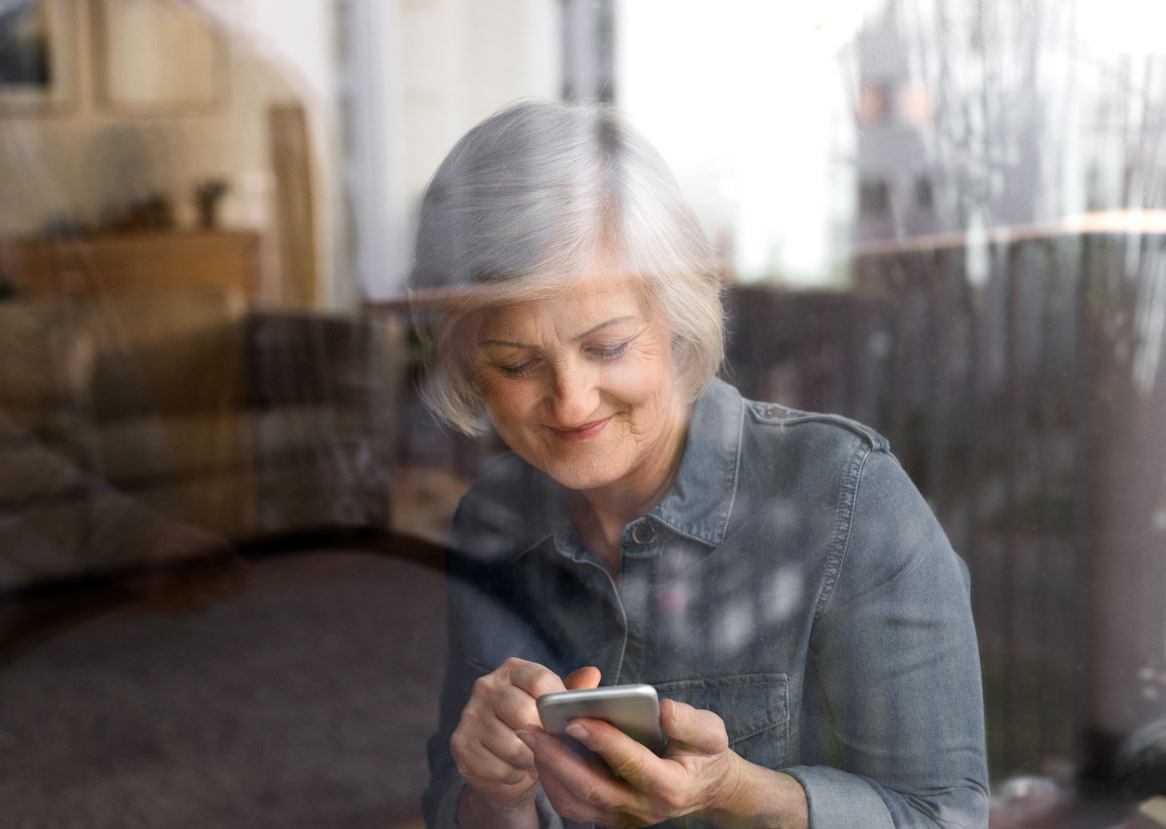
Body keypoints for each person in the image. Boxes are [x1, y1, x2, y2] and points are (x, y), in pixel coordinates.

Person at [414, 100, 988, 828]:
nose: (569, 398)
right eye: (516, 361)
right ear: (468, 361)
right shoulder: (492, 517)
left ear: (675, 312)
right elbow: (453, 806)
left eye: (608, 345)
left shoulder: (848, 496)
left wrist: (738, 791)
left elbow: (944, 817)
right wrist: (493, 793)